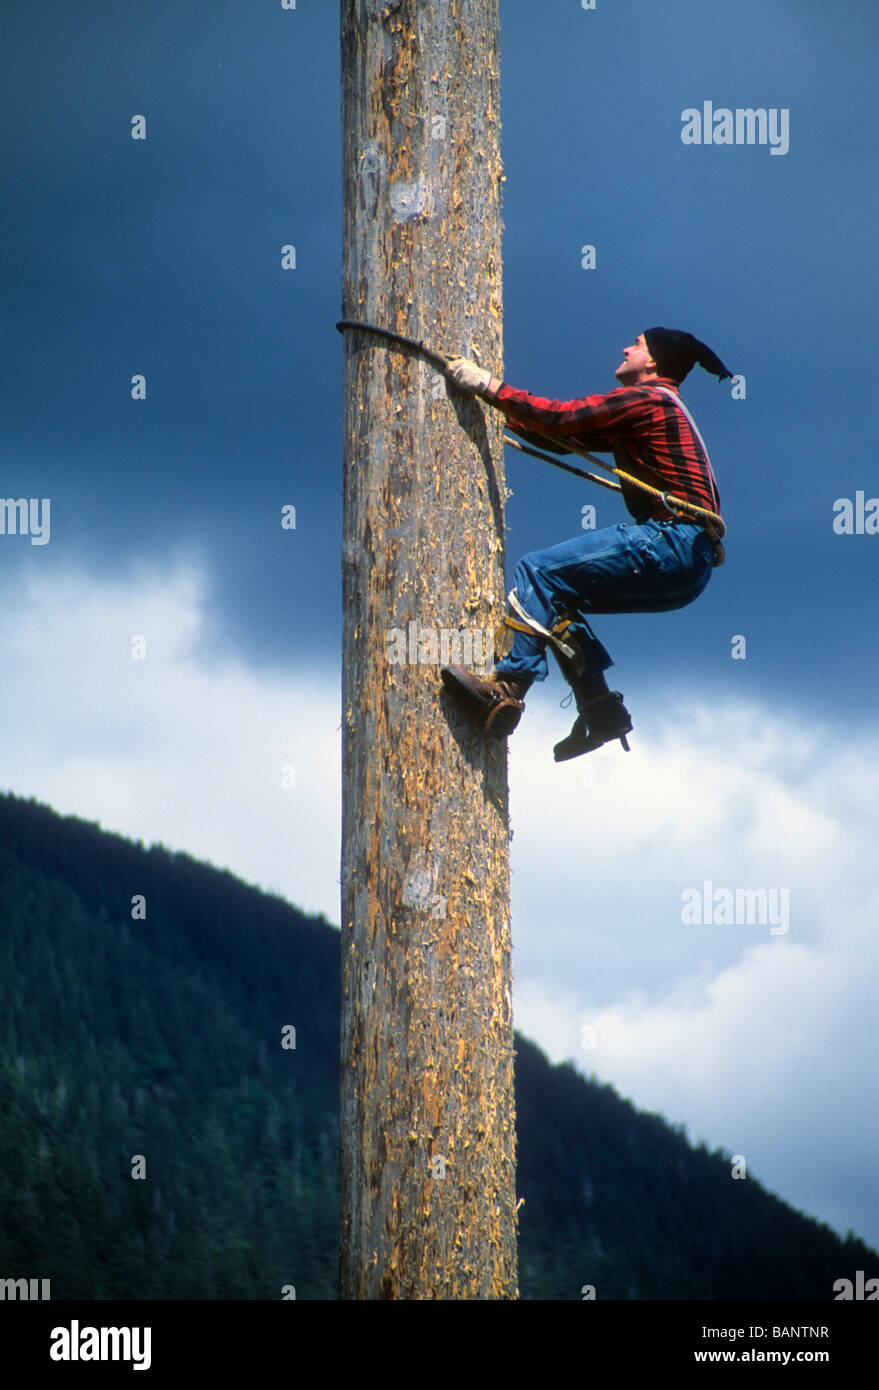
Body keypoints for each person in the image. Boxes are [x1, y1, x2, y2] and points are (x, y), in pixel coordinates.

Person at [441, 327, 733, 760]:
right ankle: (599, 710)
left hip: (672, 540)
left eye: (636, 345)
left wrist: (489, 386)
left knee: (537, 572)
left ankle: (505, 691)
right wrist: (500, 409)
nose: (625, 348)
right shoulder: (658, 407)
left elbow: (559, 417)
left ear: (652, 362)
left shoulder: (646, 400)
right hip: (692, 565)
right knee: (554, 600)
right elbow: (562, 438)